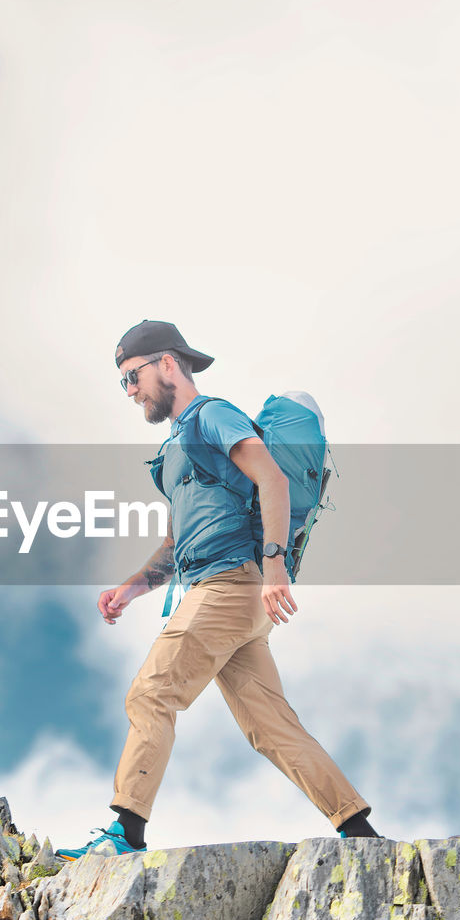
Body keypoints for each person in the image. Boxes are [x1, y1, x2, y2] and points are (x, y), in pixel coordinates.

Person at [56, 319, 379, 860]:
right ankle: (360, 830)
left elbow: (271, 479)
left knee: (152, 692)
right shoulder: (176, 450)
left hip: (233, 583)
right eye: (122, 383)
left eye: (131, 377)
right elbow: (180, 537)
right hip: (231, 593)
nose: (129, 392)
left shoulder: (213, 416)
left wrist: (275, 568)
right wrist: (133, 587)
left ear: (167, 363)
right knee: (270, 725)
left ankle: (124, 836)